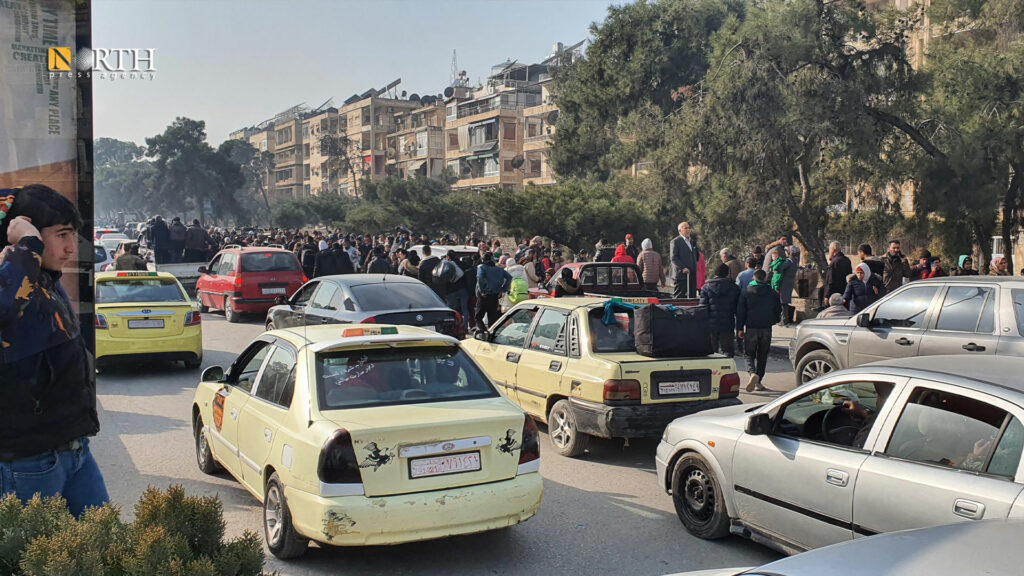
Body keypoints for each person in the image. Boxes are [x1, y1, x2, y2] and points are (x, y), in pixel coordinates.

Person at [0, 185, 108, 517]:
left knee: (104, 549)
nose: (70, 248)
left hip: (75, 448)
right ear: (23, 231)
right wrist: (27, 246)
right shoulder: (14, 279)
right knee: (34, 562)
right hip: (28, 459)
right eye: (61, 234)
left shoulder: (45, 280)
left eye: (73, 234)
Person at [736, 269, 780, 392]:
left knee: (748, 354)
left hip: (751, 328)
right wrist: (774, 320)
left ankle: (752, 373)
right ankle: (758, 381)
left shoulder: (746, 292)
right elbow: (778, 310)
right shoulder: (772, 293)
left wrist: (739, 328)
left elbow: (740, 312)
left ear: (754, 278)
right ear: (765, 278)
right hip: (766, 328)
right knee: (762, 355)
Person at [700, 263, 740, 357]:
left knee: (711, 353)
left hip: (711, 325)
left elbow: (703, 307)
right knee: (728, 352)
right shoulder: (734, 288)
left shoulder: (706, 287)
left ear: (715, 273)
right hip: (728, 324)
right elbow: (738, 309)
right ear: (727, 273)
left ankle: (714, 371)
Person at [475, 253, 512, 332]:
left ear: (482, 260)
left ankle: (483, 333)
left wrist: (482, 290)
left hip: (484, 296)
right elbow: (509, 277)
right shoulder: (499, 269)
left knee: (478, 317)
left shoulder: (482, 267)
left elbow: (480, 277)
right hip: (495, 296)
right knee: (492, 319)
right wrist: (503, 289)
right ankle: (491, 334)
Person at [670, 221, 699, 299]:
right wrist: (683, 268)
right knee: (680, 297)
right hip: (681, 276)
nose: (688, 230)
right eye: (685, 228)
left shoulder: (691, 242)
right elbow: (673, 257)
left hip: (692, 275)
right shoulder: (675, 242)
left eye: (689, 228)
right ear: (680, 230)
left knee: (692, 297)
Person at [442, 251, 469, 328]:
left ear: (448, 257)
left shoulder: (447, 265)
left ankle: (449, 325)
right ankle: (466, 326)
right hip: (463, 289)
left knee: (449, 308)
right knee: (464, 308)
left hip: (452, 290)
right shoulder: (462, 264)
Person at [823, 241, 853, 307]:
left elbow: (830, 280)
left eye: (830, 250)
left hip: (834, 296)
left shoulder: (834, 262)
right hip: (844, 293)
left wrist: (827, 296)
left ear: (833, 250)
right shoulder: (847, 260)